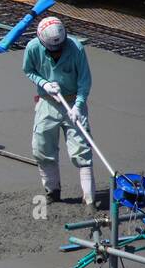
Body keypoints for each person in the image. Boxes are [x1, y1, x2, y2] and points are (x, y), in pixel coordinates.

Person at [22, 16, 96, 211]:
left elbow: (84, 81)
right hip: (48, 102)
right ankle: (52, 191)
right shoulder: (32, 48)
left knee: (81, 148)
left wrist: (78, 106)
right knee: (42, 147)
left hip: (72, 102)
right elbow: (29, 70)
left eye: (60, 46)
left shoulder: (76, 48)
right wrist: (44, 83)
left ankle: (89, 198)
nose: (57, 51)